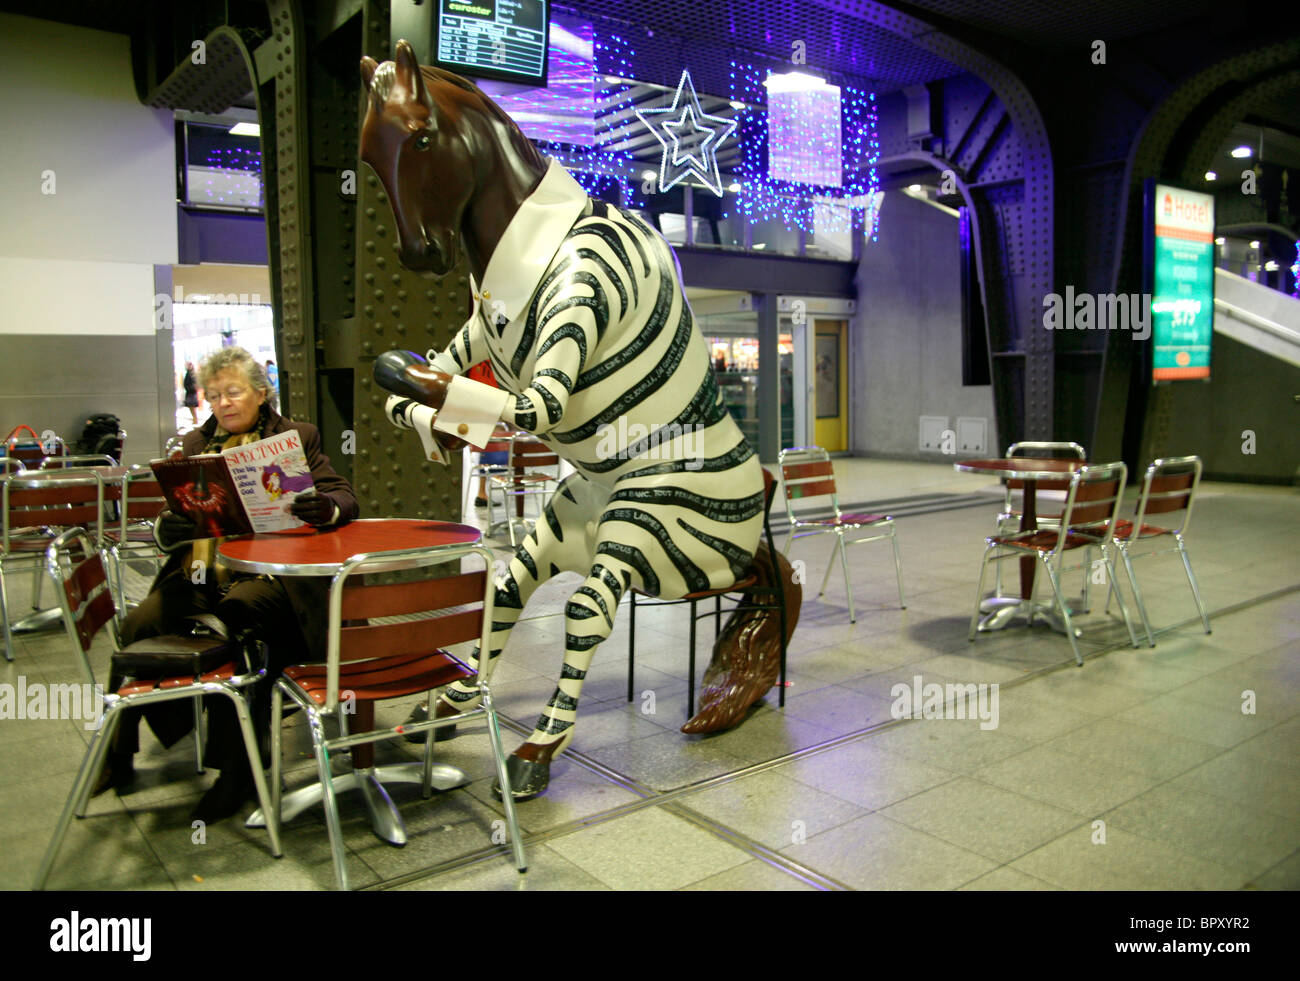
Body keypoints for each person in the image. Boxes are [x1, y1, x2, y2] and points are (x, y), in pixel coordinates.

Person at [100, 346, 359, 822]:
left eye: (233, 392)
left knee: (232, 624)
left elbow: (343, 495)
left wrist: (327, 509)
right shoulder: (195, 446)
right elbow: (170, 514)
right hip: (201, 570)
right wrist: (167, 528)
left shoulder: (296, 437)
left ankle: (235, 770)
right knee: (138, 624)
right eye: (213, 394)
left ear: (262, 393)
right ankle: (120, 752)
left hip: (269, 574)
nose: (223, 402)